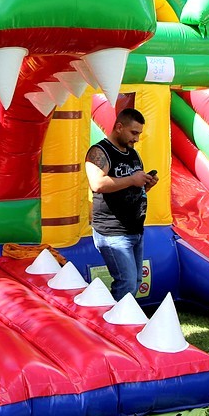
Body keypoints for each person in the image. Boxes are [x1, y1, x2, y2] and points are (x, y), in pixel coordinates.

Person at [84, 108, 159, 302]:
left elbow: (131, 189)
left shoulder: (132, 153)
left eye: (139, 134)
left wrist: (146, 184)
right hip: (112, 232)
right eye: (134, 133)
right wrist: (132, 179)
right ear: (119, 127)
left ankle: (118, 317)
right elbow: (97, 184)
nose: (136, 138)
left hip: (135, 229)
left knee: (134, 281)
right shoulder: (99, 152)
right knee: (126, 284)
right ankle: (113, 320)